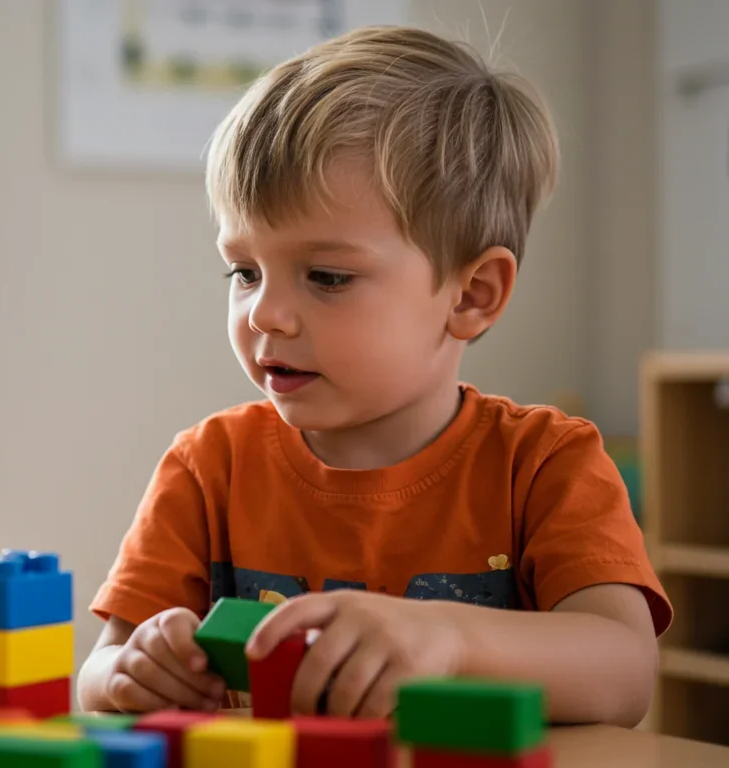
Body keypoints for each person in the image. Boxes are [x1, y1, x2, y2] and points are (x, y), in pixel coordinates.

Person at [77, 26, 669, 727]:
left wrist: (447, 638)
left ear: (472, 294)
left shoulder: (544, 465)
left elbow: (625, 674)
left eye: (326, 276)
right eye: (244, 271)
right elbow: (99, 673)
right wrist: (135, 670)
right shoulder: (209, 469)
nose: (266, 311)